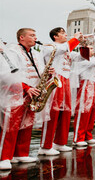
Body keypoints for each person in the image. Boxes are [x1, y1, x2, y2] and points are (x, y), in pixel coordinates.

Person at [0, 29, 45, 170]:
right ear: (22, 37)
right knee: (10, 126)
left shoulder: (35, 53)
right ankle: (4, 157)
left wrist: (46, 74)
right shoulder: (13, 51)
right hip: (15, 93)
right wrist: (25, 87)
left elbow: (37, 71)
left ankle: (21, 154)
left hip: (31, 92)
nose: (35, 38)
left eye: (35, 35)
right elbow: (6, 73)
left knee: (27, 124)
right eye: (31, 35)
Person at [39, 28, 82, 154]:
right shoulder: (49, 47)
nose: (65, 35)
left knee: (66, 112)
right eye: (62, 33)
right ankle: (45, 146)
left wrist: (84, 44)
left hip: (66, 80)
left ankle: (60, 142)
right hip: (55, 79)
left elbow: (82, 58)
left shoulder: (66, 49)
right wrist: (76, 39)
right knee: (53, 112)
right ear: (55, 36)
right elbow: (63, 48)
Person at [71, 47, 95, 147]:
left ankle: (87, 135)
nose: (93, 50)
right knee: (83, 111)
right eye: (90, 48)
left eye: (92, 48)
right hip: (85, 84)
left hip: (94, 84)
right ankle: (78, 137)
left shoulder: (93, 59)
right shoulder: (82, 61)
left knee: (92, 111)